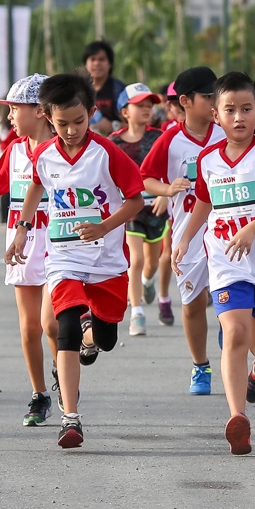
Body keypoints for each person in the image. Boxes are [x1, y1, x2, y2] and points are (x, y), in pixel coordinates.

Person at [9, 73, 149, 449]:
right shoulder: (44, 154)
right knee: (64, 327)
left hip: (106, 261)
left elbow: (135, 199)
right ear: (46, 117)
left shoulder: (107, 153)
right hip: (63, 256)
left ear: (91, 113)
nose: (71, 131)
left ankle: (94, 335)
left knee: (105, 337)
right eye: (61, 124)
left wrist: (105, 226)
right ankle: (71, 419)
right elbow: (36, 183)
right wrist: (23, 227)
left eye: (79, 122)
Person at [171, 72, 255, 455]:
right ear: (216, 115)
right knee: (234, 334)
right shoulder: (208, 159)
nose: (239, 117)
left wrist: (254, 228)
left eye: (247, 109)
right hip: (225, 261)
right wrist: (184, 239)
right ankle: (237, 418)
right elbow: (204, 202)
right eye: (230, 110)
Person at [0, 75, 57, 426]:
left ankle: (64, 375)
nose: (8, 116)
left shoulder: (62, 149)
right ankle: (40, 394)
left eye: (13, 108)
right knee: (29, 329)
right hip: (21, 242)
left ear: (39, 111)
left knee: (51, 324)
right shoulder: (14, 150)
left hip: (57, 241)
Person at [143, 67, 225, 393]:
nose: (215, 102)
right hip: (186, 234)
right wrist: (166, 189)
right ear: (186, 101)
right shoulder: (171, 139)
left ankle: (229, 328)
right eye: (208, 97)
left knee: (229, 296)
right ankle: (200, 366)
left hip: (225, 230)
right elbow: (145, 178)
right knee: (192, 304)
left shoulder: (227, 134)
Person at [111, 83, 168, 337]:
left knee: (151, 263)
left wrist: (166, 193)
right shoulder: (113, 142)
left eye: (149, 105)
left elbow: (170, 169)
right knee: (136, 259)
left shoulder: (159, 137)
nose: (146, 109)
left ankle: (148, 282)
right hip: (129, 209)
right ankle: (137, 313)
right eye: (140, 105)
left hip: (155, 208)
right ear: (125, 111)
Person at [84, 40, 127, 131]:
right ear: (86, 64)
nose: (97, 63)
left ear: (110, 64)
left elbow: (134, 124)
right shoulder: (78, 90)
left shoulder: (120, 90)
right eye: (92, 59)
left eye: (101, 59)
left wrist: (113, 126)